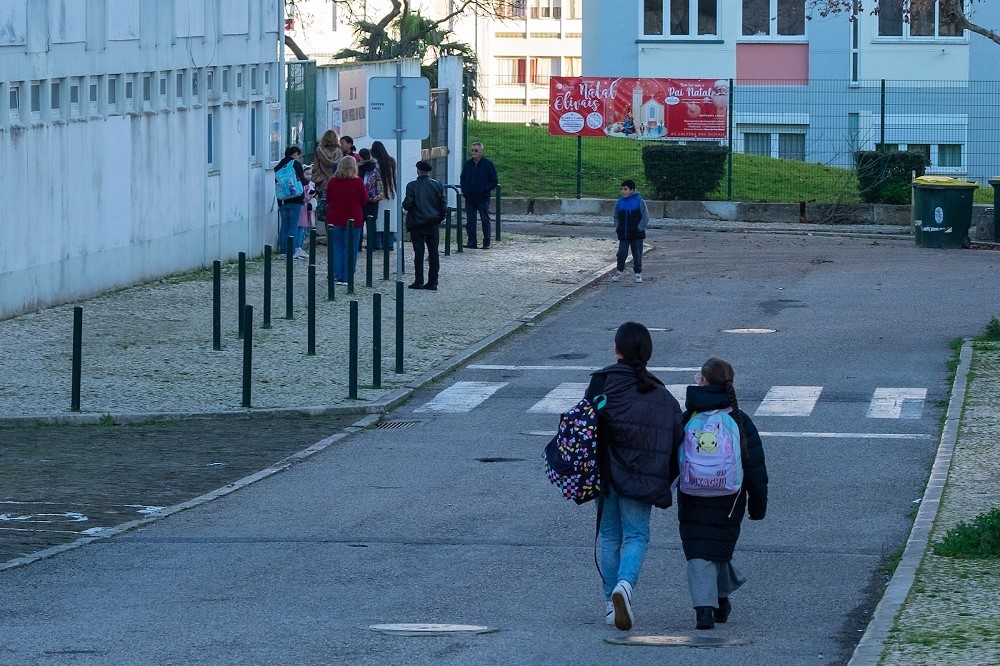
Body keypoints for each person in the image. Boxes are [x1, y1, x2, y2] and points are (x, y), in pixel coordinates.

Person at [585, 322, 683, 632]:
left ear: (616, 349)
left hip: (606, 474)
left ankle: (609, 604)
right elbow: (675, 443)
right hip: (641, 481)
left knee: (610, 536)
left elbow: (586, 425)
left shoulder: (601, 383)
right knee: (637, 535)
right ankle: (625, 586)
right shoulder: (662, 396)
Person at [678, 357, 768, 630]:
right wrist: (757, 506)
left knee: (698, 550)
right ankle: (719, 598)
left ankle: (705, 609)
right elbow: (755, 467)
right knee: (716, 546)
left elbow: (672, 458)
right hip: (730, 499)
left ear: (703, 381)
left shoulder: (688, 418)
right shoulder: (738, 420)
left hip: (692, 496)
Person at [402, 160, 447, 291]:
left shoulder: (412, 186)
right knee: (433, 253)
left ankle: (419, 281)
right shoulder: (437, 185)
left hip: (417, 223)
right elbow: (443, 203)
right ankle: (433, 282)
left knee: (419, 253)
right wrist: (440, 217)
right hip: (433, 223)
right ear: (429, 172)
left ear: (418, 171)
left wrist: (405, 205)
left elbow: (408, 204)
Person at [325, 156, 368, 284]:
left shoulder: (332, 182)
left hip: (335, 217)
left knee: (337, 247)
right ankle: (347, 276)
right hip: (354, 218)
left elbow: (328, 199)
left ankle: (338, 275)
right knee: (351, 248)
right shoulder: (358, 182)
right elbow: (364, 200)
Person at [459, 141, 498, 249]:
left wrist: (485, 189)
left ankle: (486, 242)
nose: (473, 152)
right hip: (470, 197)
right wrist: (465, 191)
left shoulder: (488, 165)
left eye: (476, 150)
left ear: (481, 151)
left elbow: (494, 181)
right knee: (470, 221)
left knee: (485, 219)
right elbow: (463, 178)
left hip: (482, 197)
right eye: (472, 150)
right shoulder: (467, 164)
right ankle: (472, 242)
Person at [611, 179, 650, 283]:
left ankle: (638, 273)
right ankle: (619, 270)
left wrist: (639, 228)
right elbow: (616, 217)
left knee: (637, 254)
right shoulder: (619, 203)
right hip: (623, 233)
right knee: (621, 253)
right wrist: (618, 227)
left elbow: (645, 217)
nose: (623, 191)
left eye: (625, 189)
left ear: (632, 190)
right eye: (622, 189)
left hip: (636, 234)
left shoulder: (640, 202)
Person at [274, 145, 309, 259]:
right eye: (299, 155)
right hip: (295, 199)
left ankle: (283, 251)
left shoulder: (279, 166)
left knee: (284, 224)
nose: (299, 158)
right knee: (293, 225)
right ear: (295, 154)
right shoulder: (295, 164)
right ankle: (291, 250)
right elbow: (302, 181)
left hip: (282, 199)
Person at [309, 130, 343, 246]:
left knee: (325, 210)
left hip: (324, 183)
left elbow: (315, 167)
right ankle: (334, 235)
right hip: (336, 183)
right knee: (335, 209)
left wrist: (317, 179)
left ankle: (328, 235)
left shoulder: (319, 151)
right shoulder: (339, 152)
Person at [371, 141, 398, 251]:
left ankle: (377, 243)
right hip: (390, 193)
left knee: (378, 221)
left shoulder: (375, 163)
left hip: (379, 194)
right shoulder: (391, 161)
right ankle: (389, 244)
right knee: (389, 221)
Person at [357, 148, 383, 252]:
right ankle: (372, 245)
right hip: (373, 200)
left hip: (360, 200)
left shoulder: (358, 169)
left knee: (359, 224)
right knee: (371, 224)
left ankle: (358, 245)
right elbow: (380, 184)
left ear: (360, 157)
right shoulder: (375, 169)